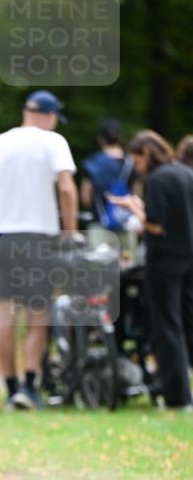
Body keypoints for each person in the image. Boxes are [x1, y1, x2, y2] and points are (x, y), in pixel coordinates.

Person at [0, 90, 78, 411]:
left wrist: (1, 216)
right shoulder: (53, 142)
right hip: (37, 237)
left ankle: (10, 389)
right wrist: (70, 231)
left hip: (1, 236)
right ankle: (30, 387)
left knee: (5, 314)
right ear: (49, 116)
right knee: (38, 316)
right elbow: (65, 187)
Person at [118, 130, 193, 410]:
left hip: (164, 261)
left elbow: (156, 224)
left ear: (146, 153)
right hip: (189, 257)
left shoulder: (158, 178)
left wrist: (135, 209)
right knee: (188, 322)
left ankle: (177, 396)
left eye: (136, 159)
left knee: (167, 326)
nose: (136, 166)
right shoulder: (185, 173)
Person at [80, 119, 136, 226]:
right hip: (125, 225)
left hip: (100, 224)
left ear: (100, 138)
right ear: (120, 138)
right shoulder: (132, 163)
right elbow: (136, 197)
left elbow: (86, 198)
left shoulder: (92, 162)